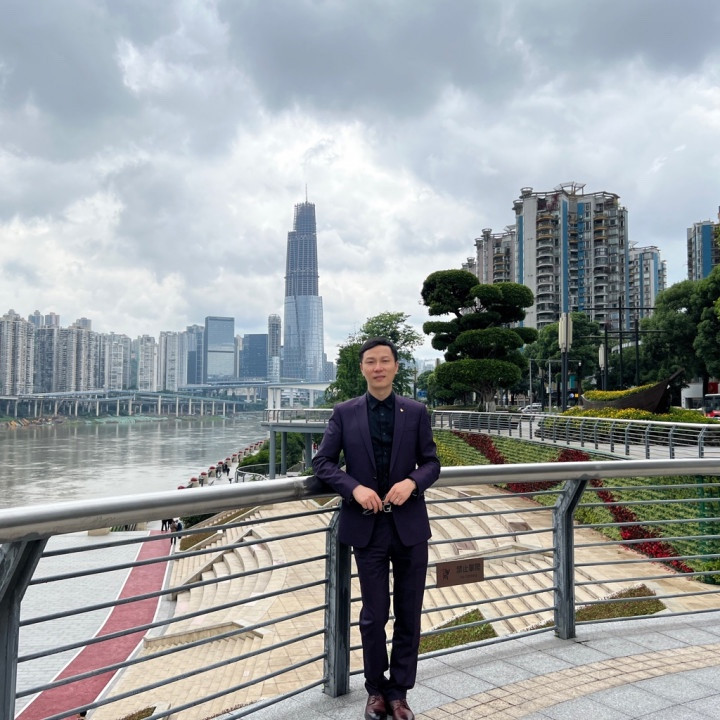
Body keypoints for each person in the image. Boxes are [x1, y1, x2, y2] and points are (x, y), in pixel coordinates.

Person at [312, 337, 440, 720]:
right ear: (362, 368)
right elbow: (323, 463)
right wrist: (354, 488)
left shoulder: (415, 411)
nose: (378, 367)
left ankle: (399, 693)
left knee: (409, 613)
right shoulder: (344, 413)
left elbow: (431, 463)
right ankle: (375, 691)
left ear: (396, 367)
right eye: (371, 361)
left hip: (409, 526)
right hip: (367, 528)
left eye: (385, 361)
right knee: (373, 614)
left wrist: (412, 482)